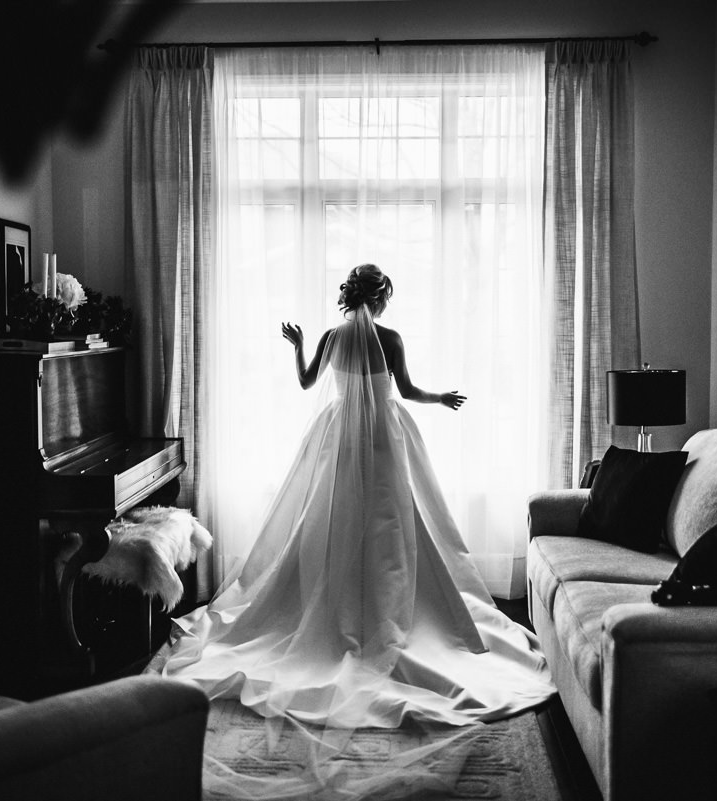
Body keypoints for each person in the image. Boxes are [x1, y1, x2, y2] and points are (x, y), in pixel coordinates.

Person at [157, 263, 553, 732]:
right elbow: (407, 391)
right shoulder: (391, 339)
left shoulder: (331, 337)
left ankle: (335, 610)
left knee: (331, 519)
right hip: (384, 437)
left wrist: (298, 345)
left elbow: (306, 383)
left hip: (339, 436)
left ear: (351, 295)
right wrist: (441, 398)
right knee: (392, 520)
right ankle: (391, 609)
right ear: (380, 298)